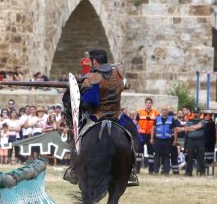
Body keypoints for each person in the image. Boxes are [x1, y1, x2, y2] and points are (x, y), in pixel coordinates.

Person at [62, 48, 140, 186]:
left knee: (78, 137)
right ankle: (131, 171)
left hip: (97, 117)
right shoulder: (119, 72)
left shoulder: (92, 78)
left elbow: (86, 104)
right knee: (133, 135)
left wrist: (78, 91)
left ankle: (74, 170)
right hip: (118, 116)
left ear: (94, 61)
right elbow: (125, 85)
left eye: (91, 61)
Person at [176, 107, 205, 176]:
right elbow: (187, 129)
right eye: (194, 112)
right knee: (189, 157)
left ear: (199, 113)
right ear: (193, 113)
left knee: (200, 157)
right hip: (190, 141)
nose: (195, 114)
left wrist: (188, 128)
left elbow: (198, 126)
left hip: (199, 140)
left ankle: (202, 172)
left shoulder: (202, 121)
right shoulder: (189, 120)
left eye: (197, 112)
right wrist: (193, 129)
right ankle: (188, 172)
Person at [150, 106, 177, 174]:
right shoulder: (157, 119)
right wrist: (152, 138)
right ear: (161, 111)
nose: (165, 111)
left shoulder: (171, 119)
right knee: (157, 156)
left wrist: (175, 140)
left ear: (168, 111)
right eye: (163, 110)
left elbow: (175, 130)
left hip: (167, 141)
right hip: (158, 140)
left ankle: (166, 171)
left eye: (166, 110)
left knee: (167, 156)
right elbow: (153, 129)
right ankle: (156, 171)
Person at [136, 98, 159, 174]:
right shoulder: (140, 112)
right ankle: (137, 169)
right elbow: (135, 123)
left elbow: (158, 124)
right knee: (139, 152)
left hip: (151, 135)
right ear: (145, 104)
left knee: (151, 152)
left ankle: (151, 170)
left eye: (149, 103)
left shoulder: (156, 113)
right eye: (147, 103)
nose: (148, 104)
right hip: (141, 135)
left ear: (152, 104)